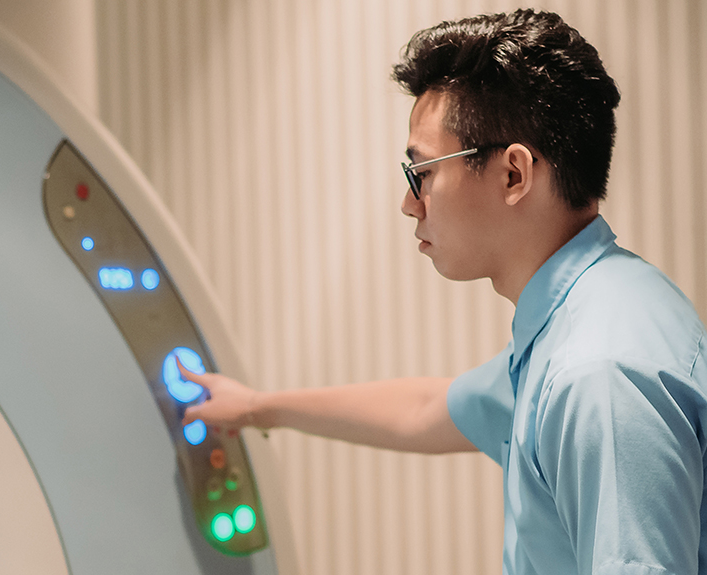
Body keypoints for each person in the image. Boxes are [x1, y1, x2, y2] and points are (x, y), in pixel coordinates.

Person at [180, 8, 707, 575]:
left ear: (513, 175)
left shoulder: (597, 376)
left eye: (422, 174)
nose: (410, 203)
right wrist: (258, 407)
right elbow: (428, 409)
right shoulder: (591, 312)